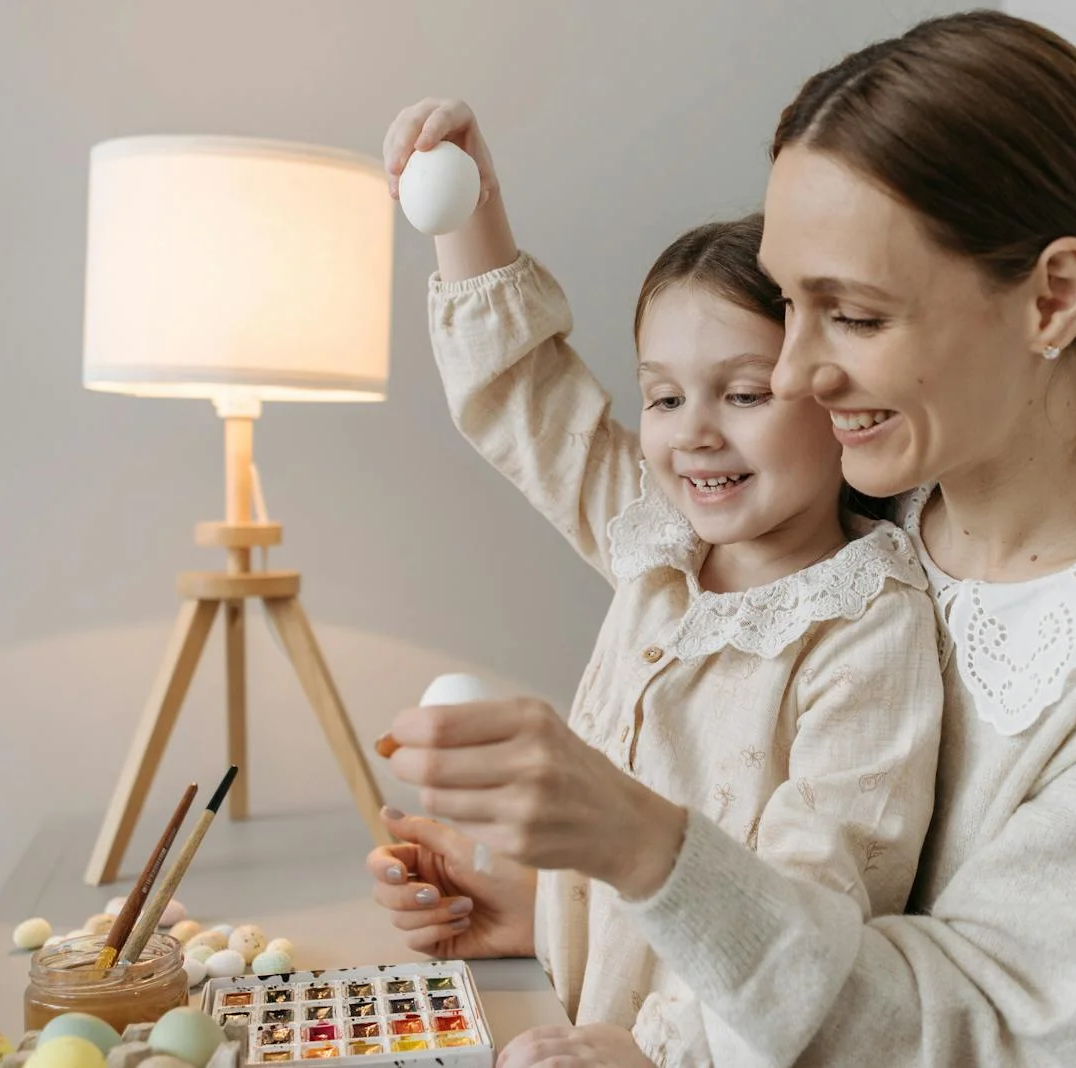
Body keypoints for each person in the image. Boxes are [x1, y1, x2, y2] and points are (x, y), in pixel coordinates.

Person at [369, 10, 1076, 1066]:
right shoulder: (865, 518)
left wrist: (641, 852)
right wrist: (577, 903)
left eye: (854, 316)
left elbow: (985, 1027)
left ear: (1052, 296)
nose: (788, 373)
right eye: (786, 302)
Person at [371, 102, 943, 1066]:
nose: (694, 433)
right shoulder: (657, 544)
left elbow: (815, 901)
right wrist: (542, 915)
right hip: (572, 1012)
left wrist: (658, 1052)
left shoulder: (867, 628)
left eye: (746, 393)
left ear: (836, 396)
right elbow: (528, 402)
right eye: (665, 397)